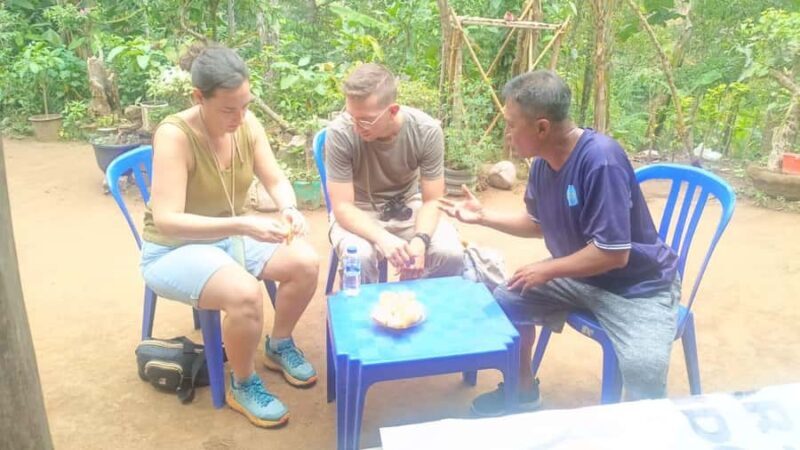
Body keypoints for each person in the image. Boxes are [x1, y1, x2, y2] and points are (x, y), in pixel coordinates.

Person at [440, 70, 681, 417]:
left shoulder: (601, 161)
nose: (507, 134)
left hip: (636, 287)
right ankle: (522, 391)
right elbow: (538, 224)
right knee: (509, 298)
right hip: (581, 277)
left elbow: (613, 253)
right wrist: (484, 217)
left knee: (643, 368)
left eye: (511, 124)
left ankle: (644, 428)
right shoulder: (542, 164)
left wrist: (548, 269)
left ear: (541, 128)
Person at [140, 44, 320, 428]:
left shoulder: (247, 124)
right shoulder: (175, 136)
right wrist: (241, 223)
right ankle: (243, 383)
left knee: (305, 262)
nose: (239, 117)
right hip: (173, 249)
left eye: (245, 105)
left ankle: (279, 344)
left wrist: (288, 207)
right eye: (227, 109)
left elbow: (275, 178)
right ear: (198, 98)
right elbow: (168, 220)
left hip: (228, 236)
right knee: (244, 293)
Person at [325, 63, 463, 283]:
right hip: (358, 211)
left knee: (450, 254)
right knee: (358, 257)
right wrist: (383, 238)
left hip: (408, 206)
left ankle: (414, 307)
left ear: (393, 111)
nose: (356, 126)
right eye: (352, 116)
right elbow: (342, 207)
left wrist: (420, 241)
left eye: (366, 120)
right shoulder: (340, 133)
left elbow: (433, 200)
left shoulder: (426, 131)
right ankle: (365, 315)